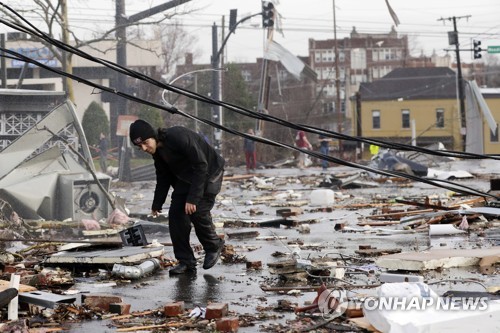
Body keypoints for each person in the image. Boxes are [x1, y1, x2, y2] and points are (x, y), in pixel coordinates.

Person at [129, 119, 225, 275]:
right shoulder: (158, 153)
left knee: (197, 210)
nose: (145, 148)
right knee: (176, 216)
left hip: (209, 172)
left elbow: (201, 165)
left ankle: (213, 245)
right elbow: (163, 177)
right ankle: (186, 261)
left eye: (146, 143)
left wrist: (193, 199)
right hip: (187, 178)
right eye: (140, 147)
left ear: (153, 135)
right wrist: (157, 203)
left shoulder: (178, 137)